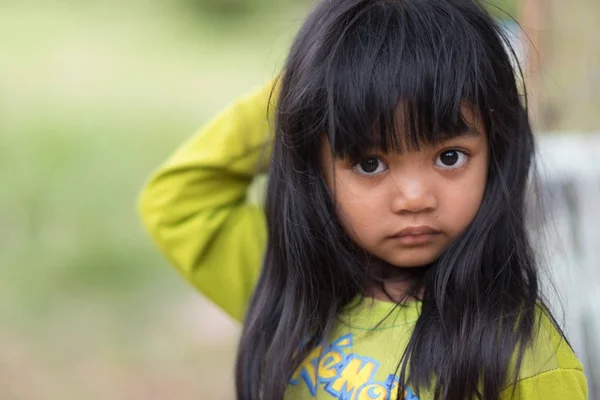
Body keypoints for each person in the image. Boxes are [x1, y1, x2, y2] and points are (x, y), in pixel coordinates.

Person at [138, 0, 588, 399]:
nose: (415, 198)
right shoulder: (293, 285)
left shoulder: (524, 356)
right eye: (370, 164)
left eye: (450, 157)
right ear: (316, 165)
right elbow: (177, 199)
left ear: (497, 149)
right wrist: (316, 84)